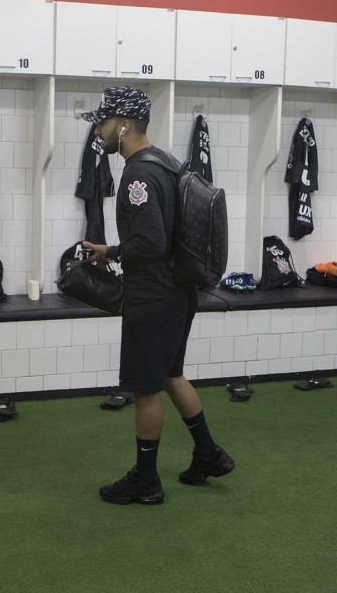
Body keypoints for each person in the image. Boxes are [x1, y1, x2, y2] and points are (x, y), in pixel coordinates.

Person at [80, 87, 234, 506]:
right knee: (170, 374)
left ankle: (146, 480)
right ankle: (208, 453)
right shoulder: (166, 162)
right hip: (180, 291)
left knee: (145, 388)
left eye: (104, 122)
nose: (98, 130)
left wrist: (118, 254)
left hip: (153, 295)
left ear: (124, 125)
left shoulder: (137, 174)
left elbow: (149, 242)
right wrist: (110, 250)